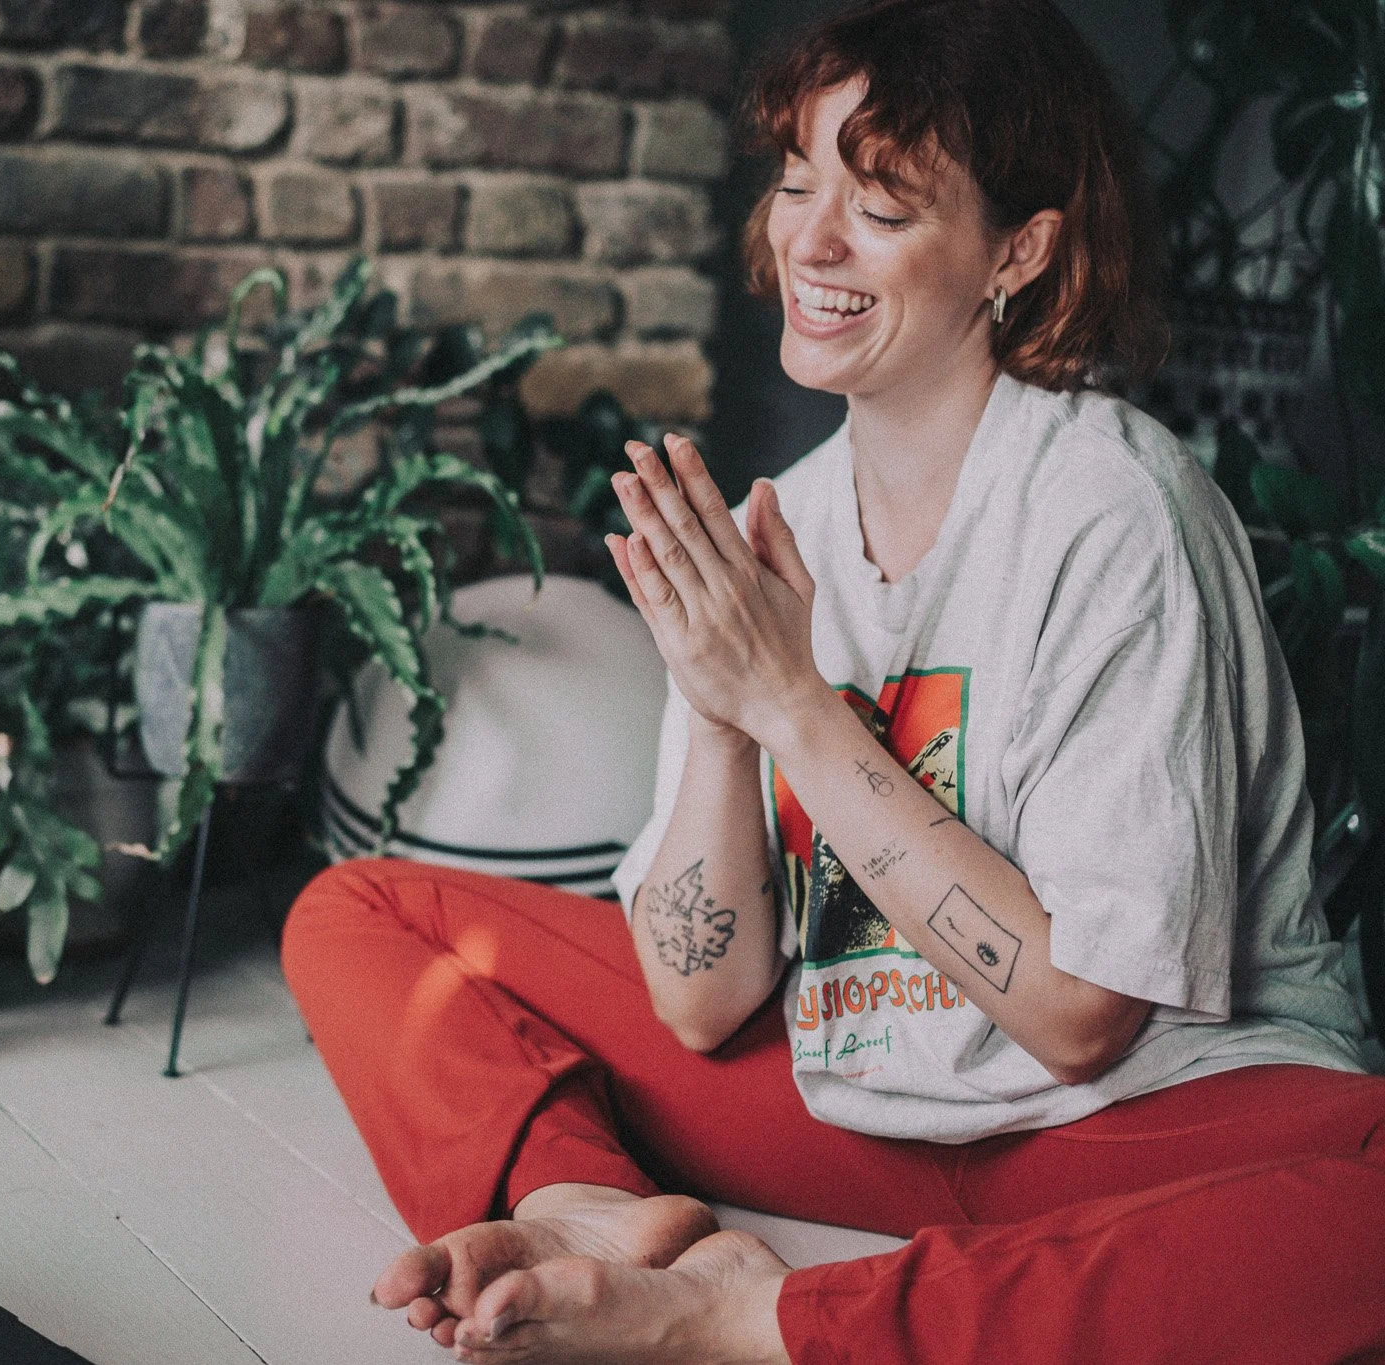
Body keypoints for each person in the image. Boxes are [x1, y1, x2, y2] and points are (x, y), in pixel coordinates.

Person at [280, 1, 1385, 1360]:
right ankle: (609, 1224)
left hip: (1132, 1119)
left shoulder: (1110, 506)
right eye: (800, 185)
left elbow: (1082, 1022)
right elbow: (702, 1000)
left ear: (1018, 252)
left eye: (883, 206)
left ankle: (763, 1323)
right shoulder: (781, 522)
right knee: (363, 913)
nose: (808, 239)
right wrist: (720, 704)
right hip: (862, 1091)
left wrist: (796, 704)